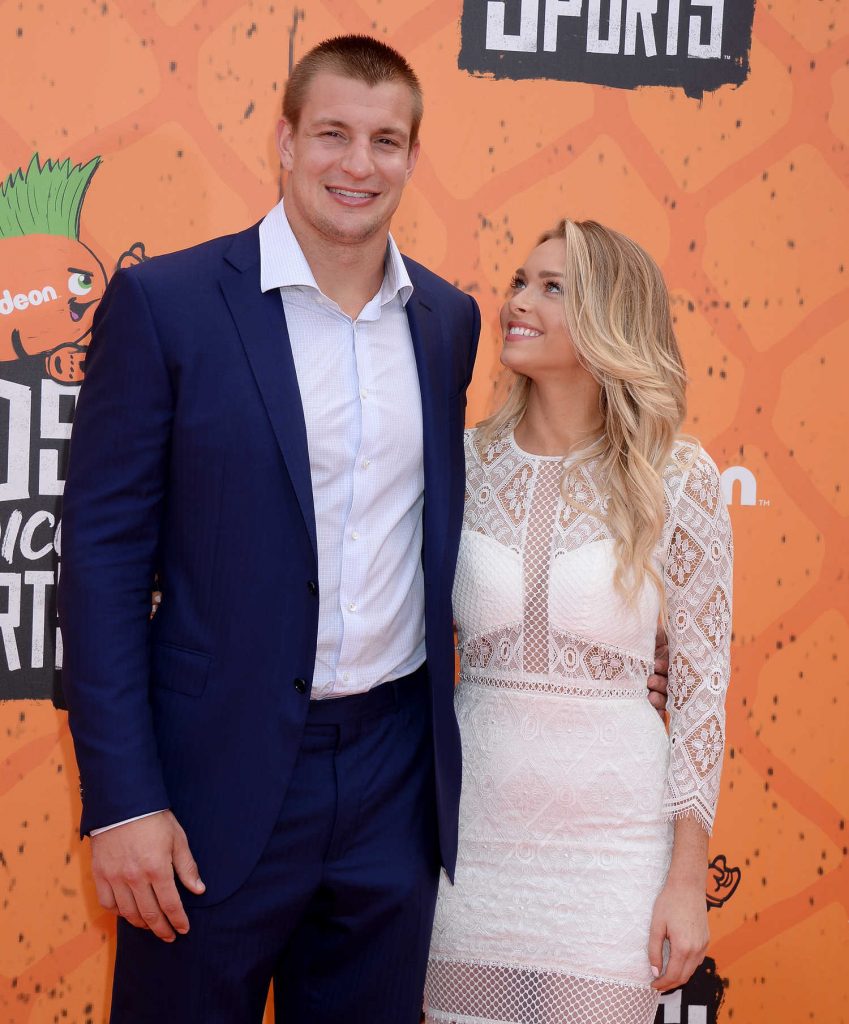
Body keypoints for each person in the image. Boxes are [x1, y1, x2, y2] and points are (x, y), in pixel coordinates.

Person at [58, 34, 668, 1024]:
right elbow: (100, 562)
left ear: (413, 159)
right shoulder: (167, 305)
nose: (359, 164)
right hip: (212, 778)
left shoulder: (446, 322)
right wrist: (124, 795)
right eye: (334, 133)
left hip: (392, 780)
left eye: (386, 141)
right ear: (284, 142)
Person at [424, 220, 732, 1024]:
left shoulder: (677, 475)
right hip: (470, 847)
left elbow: (701, 694)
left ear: (608, 316)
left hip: (614, 851)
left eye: (551, 287)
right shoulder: (457, 464)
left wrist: (685, 880)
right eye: (520, 281)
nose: (517, 301)